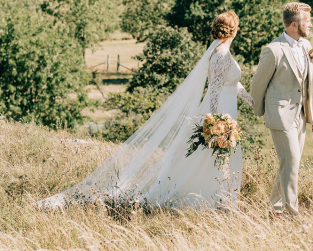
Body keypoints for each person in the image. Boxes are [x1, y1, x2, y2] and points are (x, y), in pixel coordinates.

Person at [38, 11, 253, 211]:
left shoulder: (223, 53)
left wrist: (251, 101)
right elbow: (214, 90)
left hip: (226, 112)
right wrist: (216, 123)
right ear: (233, 31)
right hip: (219, 115)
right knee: (212, 156)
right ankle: (210, 199)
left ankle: (219, 198)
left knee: (218, 156)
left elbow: (232, 84)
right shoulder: (221, 55)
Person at [251, 2, 313, 218]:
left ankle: (275, 209)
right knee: (291, 163)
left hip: (301, 115)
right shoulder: (272, 50)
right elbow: (257, 84)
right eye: (307, 22)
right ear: (293, 24)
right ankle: (292, 212)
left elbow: (312, 81)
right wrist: (263, 111)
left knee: (290, 163)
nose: (310, 25)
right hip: (280, 116)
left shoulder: (306, 45)